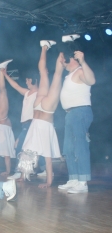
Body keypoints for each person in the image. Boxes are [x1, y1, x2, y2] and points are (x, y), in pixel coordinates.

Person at [22, 40, 64, 188]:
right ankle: (61, 48)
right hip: (44, 116)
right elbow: (47, 158)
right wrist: (47, 183)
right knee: (57, 76)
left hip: (39, 111)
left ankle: (44, 47)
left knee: (47, 73)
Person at [58, 34, 96, 194]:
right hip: (70, 114)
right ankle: (74, 179)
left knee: (79, 146)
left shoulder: (80, 70)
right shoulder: (69, 74)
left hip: (80, 112)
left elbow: (92, 81)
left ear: (71, 59)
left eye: (65, 60)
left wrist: (82, 61)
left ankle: (83, 182)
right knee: (69, 148)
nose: (63, 63)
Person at [1, 67, 38, 181]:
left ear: (32, 80)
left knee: (20, 147)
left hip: (31, 123)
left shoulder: (39, 93)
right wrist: (5, 74)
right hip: (25, 125)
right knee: (26, 148)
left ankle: (20, 173)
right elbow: (16, 86)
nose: (26, 82)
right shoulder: (27, 93)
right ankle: (35, 171)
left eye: (27, 80)